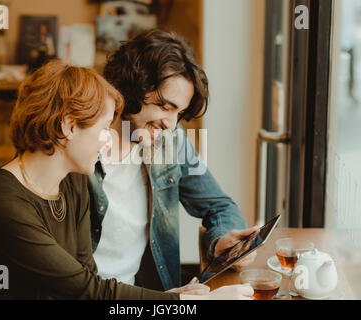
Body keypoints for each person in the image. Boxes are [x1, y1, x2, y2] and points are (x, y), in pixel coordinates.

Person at [0, 59, 253, 300]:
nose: (108, 142)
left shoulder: (71, 182)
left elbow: (87, 282)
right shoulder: (0, 200)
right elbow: (87, 289)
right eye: (104, 129)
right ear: (68, 127)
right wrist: (182, 302)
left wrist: (173, 300)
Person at [90, 29, 258, 293]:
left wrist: (222, 240)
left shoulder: (170, 141)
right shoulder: (81, 149)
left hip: (152, 292)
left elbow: (219, 205)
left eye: (178, 112)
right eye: (164, 106)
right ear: (131, 88)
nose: (170, 123)